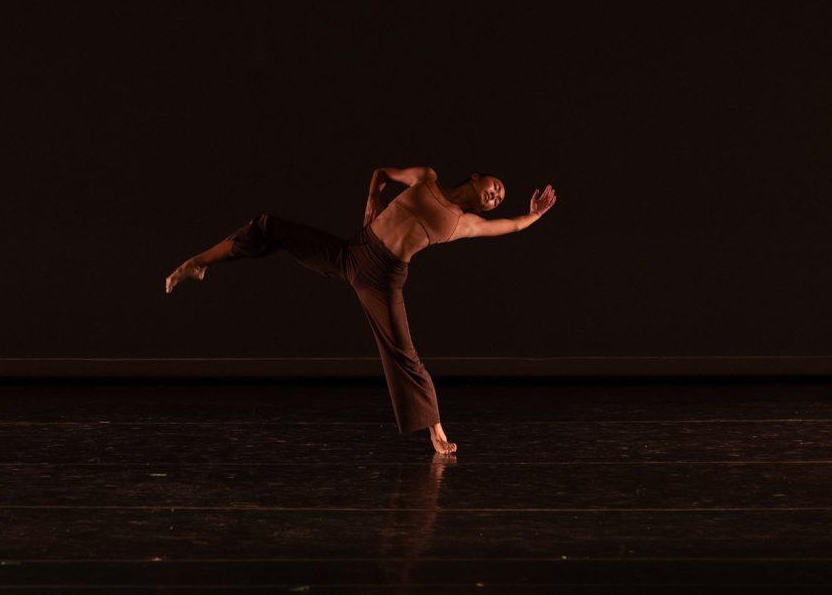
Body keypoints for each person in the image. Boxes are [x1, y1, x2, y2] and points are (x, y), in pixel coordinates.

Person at [165, 167, 557, 454]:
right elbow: (381, 172)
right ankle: (198, 263)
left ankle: (435, 428)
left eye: (499, 199)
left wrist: (534, 215)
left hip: (383, 279)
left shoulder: (466, 224)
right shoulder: (426, 178)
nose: (496, 196)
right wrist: (373, 198)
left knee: (404, 353)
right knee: (268, 225)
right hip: (353, 254)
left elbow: (511, 226)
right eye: (496, 187)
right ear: (476, 178)